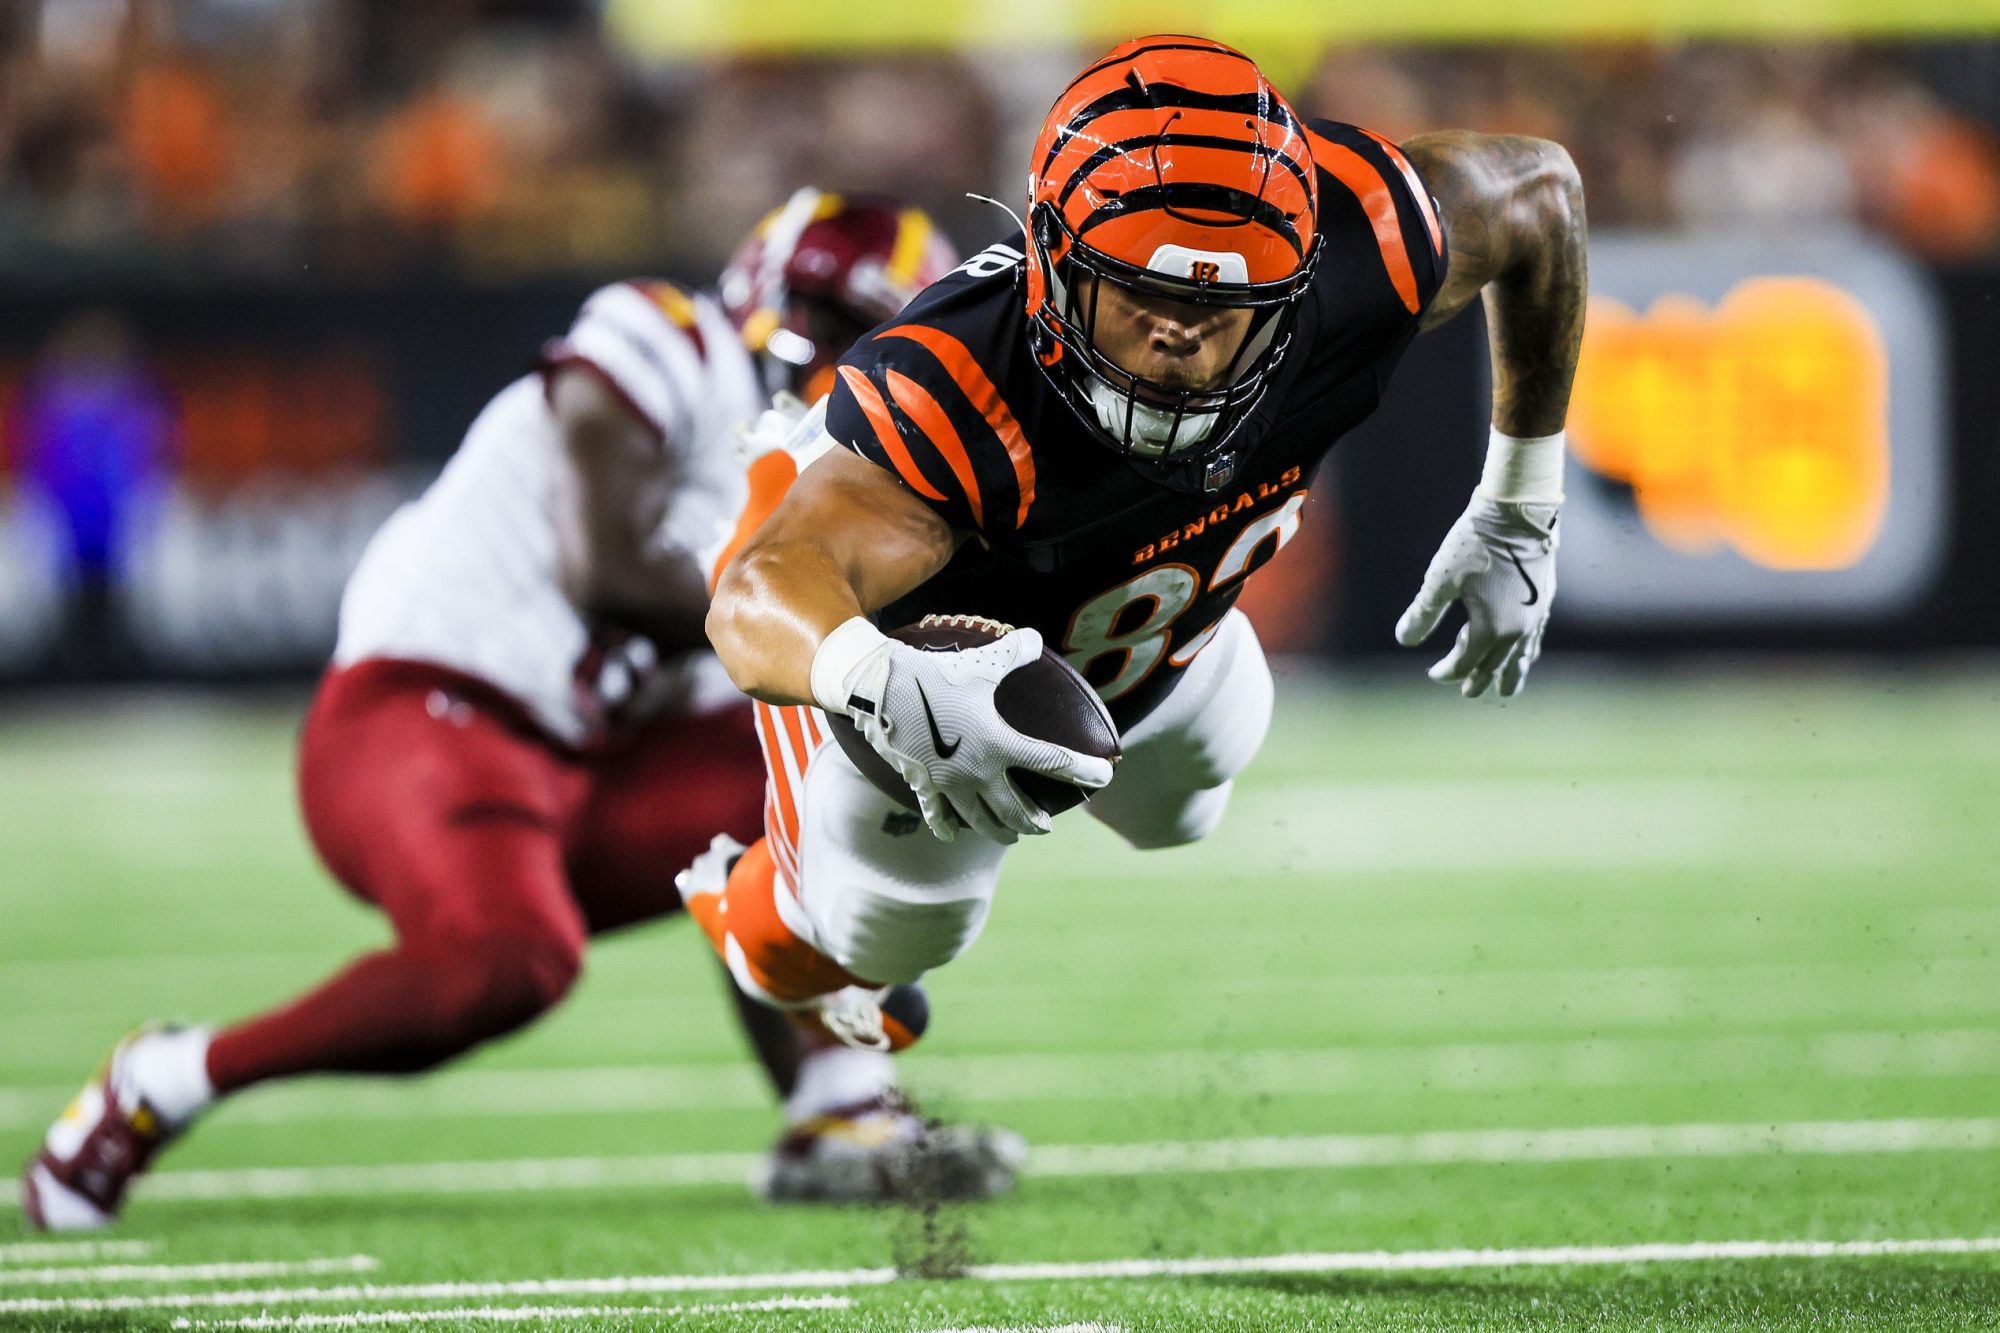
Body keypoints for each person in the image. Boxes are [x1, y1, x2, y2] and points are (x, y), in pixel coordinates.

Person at [23, 189, 1022, 1232]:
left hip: (578, 764)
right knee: (507, 964)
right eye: (842, 330)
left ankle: (835, 1105)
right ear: (785, 308)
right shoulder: (667, 339)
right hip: (422, 714)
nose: (843, 364)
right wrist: (848, 641)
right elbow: (609, 566)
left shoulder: (842, 479)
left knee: (805, 775)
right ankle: (169, 1077)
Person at [681, 36, 1587, 1044]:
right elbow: (754, 592)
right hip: (938, 666)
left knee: (1187, 799)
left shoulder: (1361, 248)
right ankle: (747, 903)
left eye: (1215, 304)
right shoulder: (959, 387)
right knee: (891, 933)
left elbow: (1540, 194)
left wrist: (1518, 500)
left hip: (1155, 629)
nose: (1177, 334)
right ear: (1055, 266)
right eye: (1141, 294)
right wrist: (875, 678)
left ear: (1293, 289)